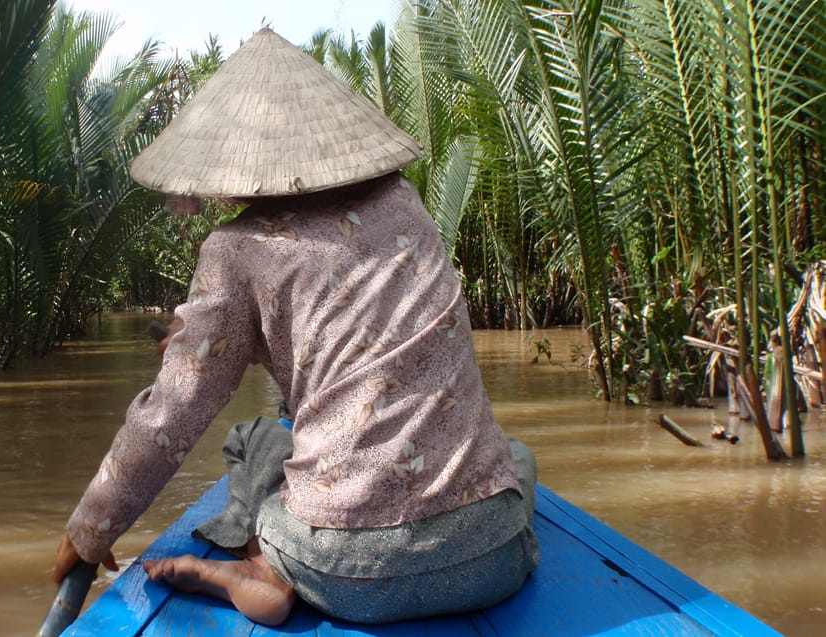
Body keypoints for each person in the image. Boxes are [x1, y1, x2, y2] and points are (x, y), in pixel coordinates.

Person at [52, 28, 539, 626]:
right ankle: (290, 562)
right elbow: (344, 333)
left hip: (338, 569)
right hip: (490, 558)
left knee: (267, 460)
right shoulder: (404, 203)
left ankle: (265, 567)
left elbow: (173, 412)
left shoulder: (234, 251)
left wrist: (91, 525)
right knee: (514, 458)